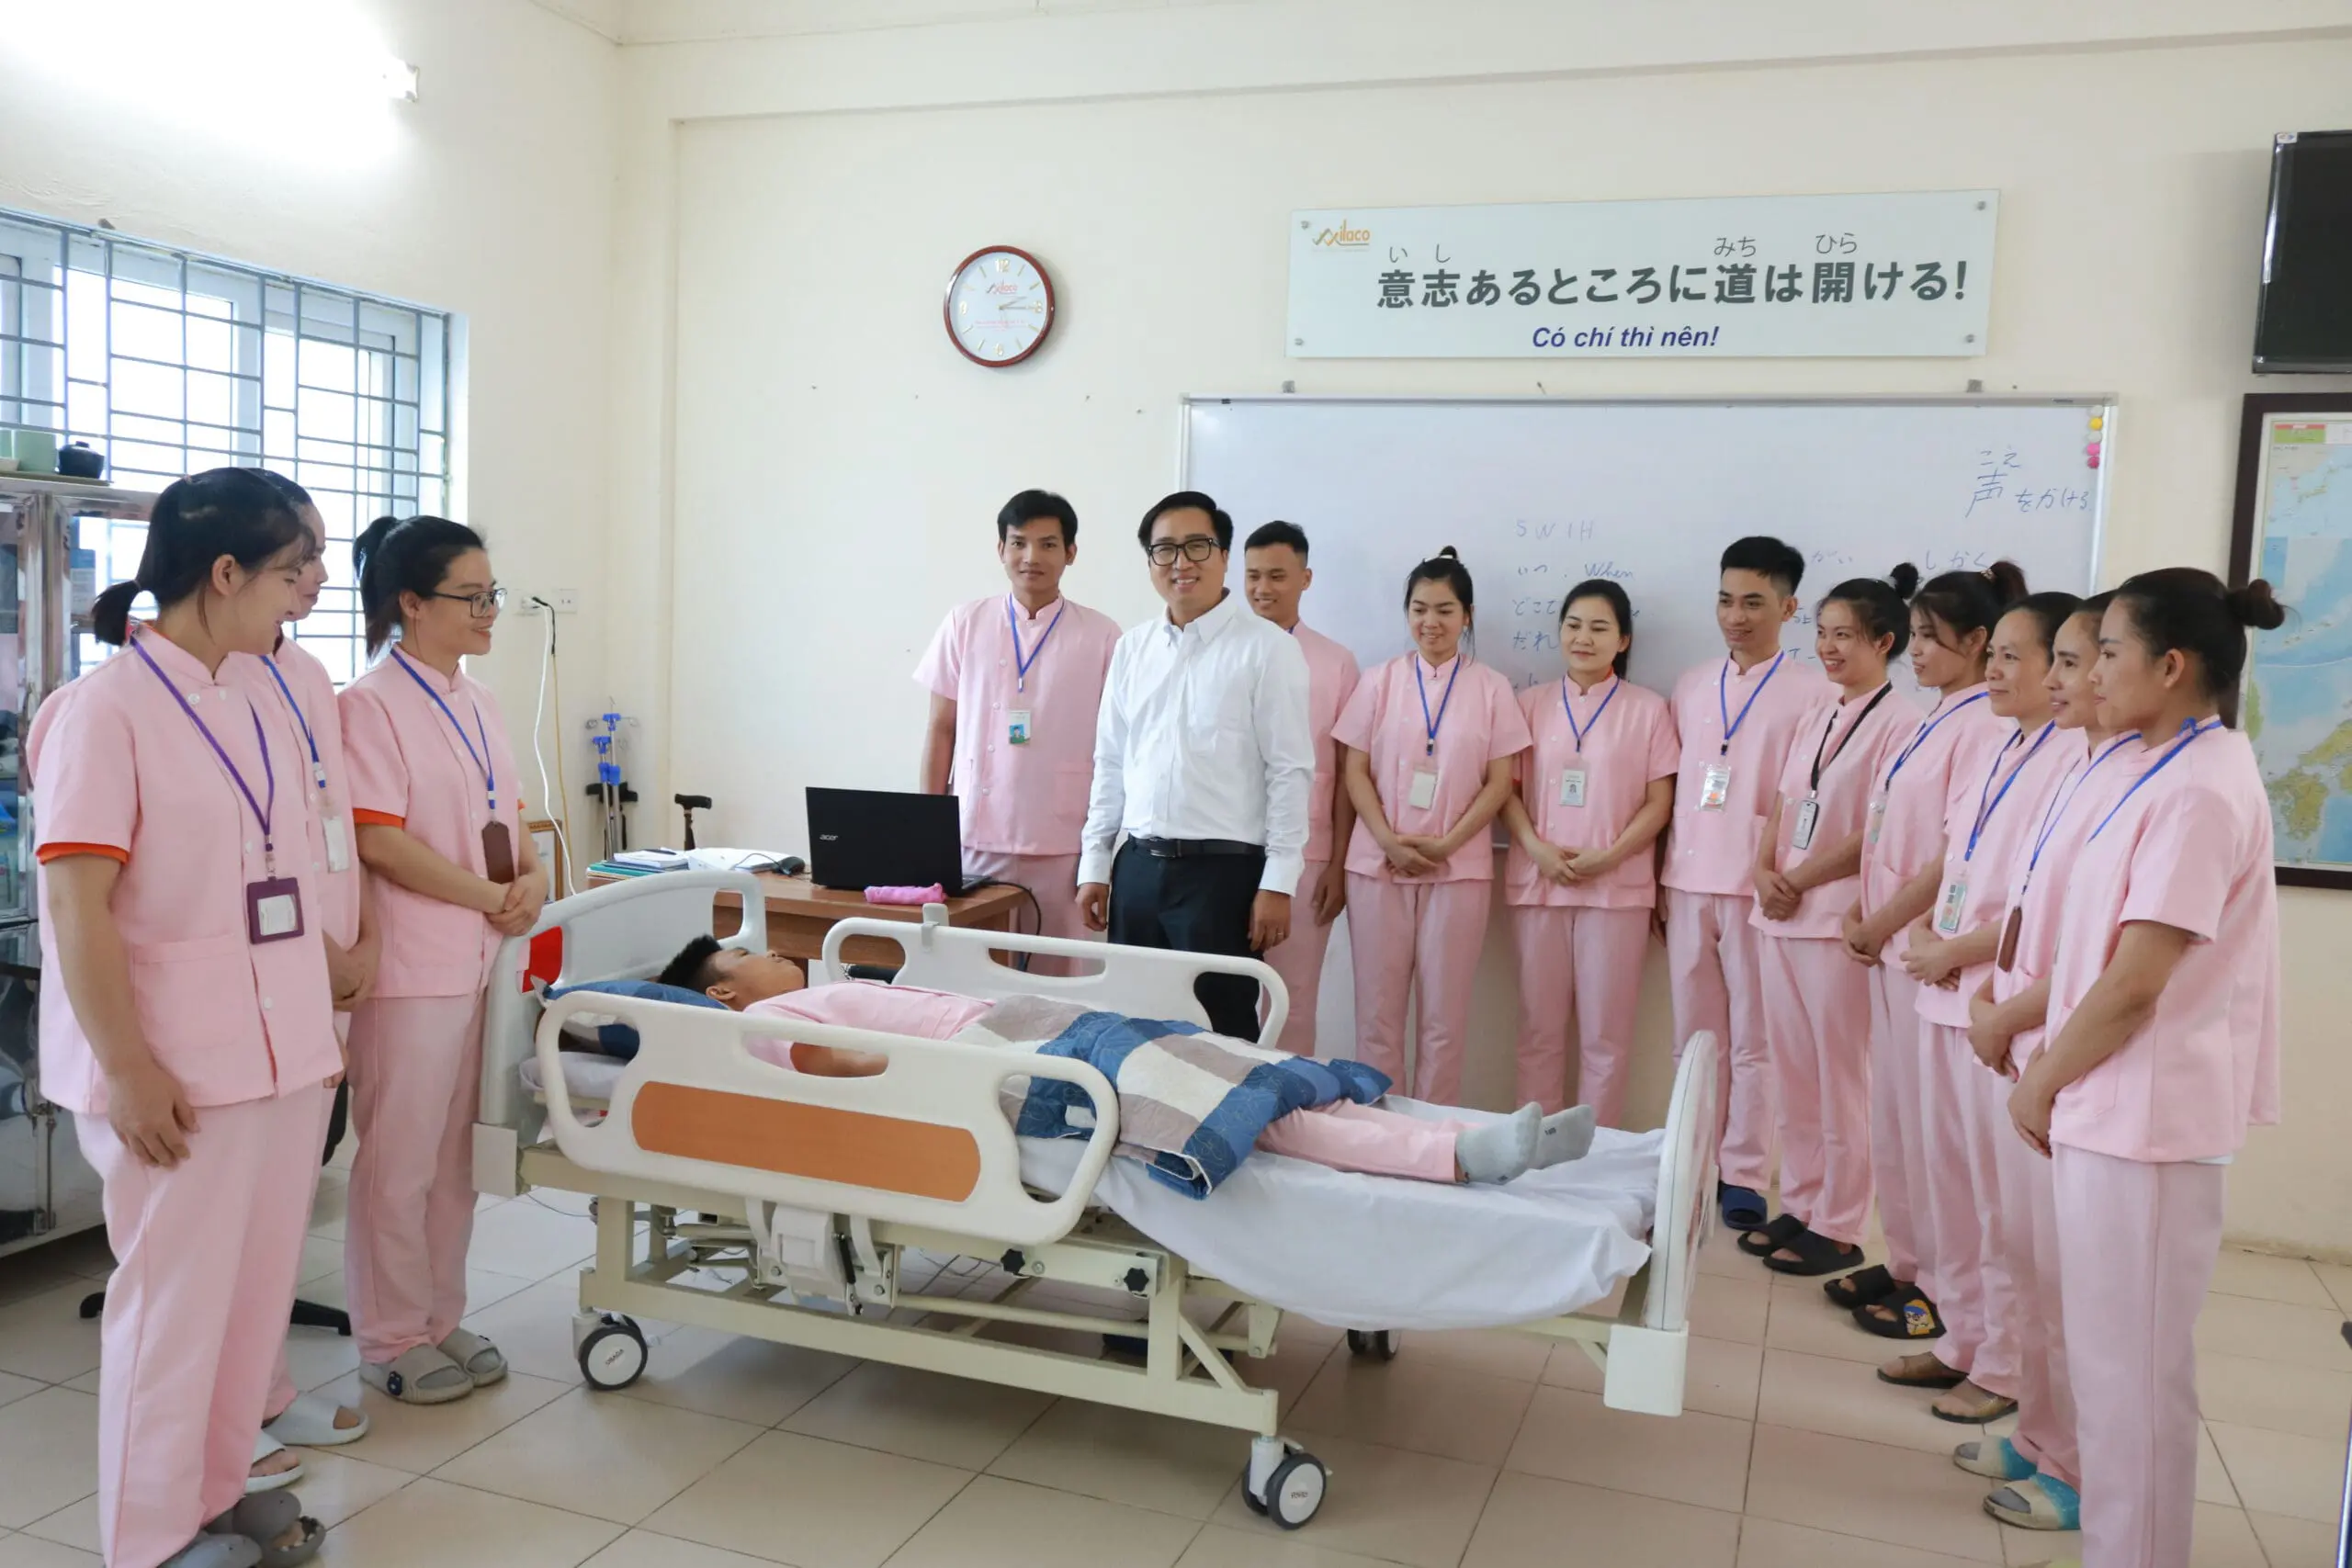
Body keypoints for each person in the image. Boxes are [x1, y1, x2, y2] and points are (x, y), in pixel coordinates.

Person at [35, 468, 336, 1568]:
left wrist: (313, 1026)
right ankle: (149, 1539)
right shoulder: (103, 710)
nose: (308, 590)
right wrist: (129, 1068)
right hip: (172, 1062)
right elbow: (77, 904)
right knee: (173, 1310)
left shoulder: (258, 697)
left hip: (278, 1051)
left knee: (249, 1303)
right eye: (294, 570)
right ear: (223, 574)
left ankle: (216, 1492)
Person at [2010, 570, 2284, 1568]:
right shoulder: (2154, 764)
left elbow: (2135, 981)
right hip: (2112, 1106)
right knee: (2110, 1369)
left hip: (2149, 1121)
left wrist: (2040, 1078)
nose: (2090, 673)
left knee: (2133, 1380)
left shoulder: (2202, 788)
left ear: (2169, 667)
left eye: (2109, 653)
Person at [656, 937, 1600, 1184]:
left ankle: (1464, 1131)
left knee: (1245, 1072)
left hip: (1025, 1030)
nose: (767, 951)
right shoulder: (761, 1021)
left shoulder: (797, 991)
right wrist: (948, 1079)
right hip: (1003, 1065)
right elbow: (832, 1065)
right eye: (743, 952)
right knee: (1245, 1112)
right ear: (722, 993)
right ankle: (1459, 1155)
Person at [339, 516, 547, 1406]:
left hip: (482, 956)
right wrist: (485, 896)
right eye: (472, 596)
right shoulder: (369, 705)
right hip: (412, 966)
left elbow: (510, 813)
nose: (489, 610)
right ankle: (390, 1336)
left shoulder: (480, 700)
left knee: (458, 1156)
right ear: (411, 603)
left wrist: (533, 877)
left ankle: (439, 1316)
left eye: (492, 593)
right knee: (400, 1159)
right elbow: (379, 841)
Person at [1890, 591, 2083, 1426]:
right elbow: (1959, 858)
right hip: (1944, 992)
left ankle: (2004, 1366)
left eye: (2015, 656)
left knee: (2000, 1204)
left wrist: (1954, 949)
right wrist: (1926, 929)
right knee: (1952, 1190)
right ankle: (1962, 1337)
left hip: (1994, 1007)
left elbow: (2046, 908)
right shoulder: (2000, 742)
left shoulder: (2070, 759)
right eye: (1993, 654)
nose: (1996, 670)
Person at [1954, 594, 2123, 1531]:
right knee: (2026, 1261)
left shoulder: (2128, 779)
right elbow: (2026, 910)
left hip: (2057, 1052)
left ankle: (2075, 1467)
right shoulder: (2076, 766)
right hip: (2020, 1037)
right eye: (2050, 660)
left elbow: (2100, 955)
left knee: (2069, 1286)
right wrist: (1997, 1005)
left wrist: (2006, 1015)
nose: (2058, 679)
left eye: (2072, 660)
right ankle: (2040, 1428)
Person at [227, 474, 375, 1480]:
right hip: (273, 964)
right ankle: (228, 1420)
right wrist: (321, 954)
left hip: (328, 951)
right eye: (302, 557)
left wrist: (355, 943)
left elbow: (332, 817)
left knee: (284, 1203)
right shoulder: (212, 685)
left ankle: (265, 1392)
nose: (318, 575)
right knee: (232, 1226)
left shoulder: (311, 674)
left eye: (321, 555)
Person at [1841, 564, 2020, 1390]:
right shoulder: (1935, 716)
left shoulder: (1984, 724)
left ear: (1977, 641)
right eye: (1911, 636)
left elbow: (1951, 856)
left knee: (1939, 1143)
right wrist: (1871, 913)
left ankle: (1947, 1297)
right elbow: (1890, 830)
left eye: (1928, 637)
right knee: (1900, 1122)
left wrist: (1884, 921)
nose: (1914, 651)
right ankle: (1911, 1263)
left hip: (1929, 952)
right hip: (1900, 946)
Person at [1078, 493, 1314, 1040]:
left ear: (1224, 555)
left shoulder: (1268, 649)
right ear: (1150, 562)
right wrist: (1095, 862)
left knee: (1222, 1036)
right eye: (1164, 549)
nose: (1181, 562)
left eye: (1197, 546)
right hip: (1137, 870)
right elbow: (1110, 760)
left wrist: (1279, 882)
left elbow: (1289, 771)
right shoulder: (1132, 649)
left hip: (1222, 877)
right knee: (1131, 1031)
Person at [1740, 576, 1920, 1278]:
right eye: (1821, 633)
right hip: (1779, 914)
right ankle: (1803, 1200)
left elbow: (1877, 829)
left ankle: (1840, 1223)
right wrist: (1764, 870)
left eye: (1844, 634)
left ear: (1885, 641)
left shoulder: (1901, 723)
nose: (1828, 647)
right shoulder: (1818, 710)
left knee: (1841, 1075)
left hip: (1830, 922)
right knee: (1794, 1070)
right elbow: (1785, 804)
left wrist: (1801, 879)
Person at [1657, 536, 1834, 1232]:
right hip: (1687, 879)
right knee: (1692, 1036)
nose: (1736, 615)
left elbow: (1807, 799)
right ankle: (1690, 1162)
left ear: (1789, 608)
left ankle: (1745, 1173)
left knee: (1755, 1039)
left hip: (1760, 889)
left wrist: (1783, 876)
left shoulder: (1814, 693)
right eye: (1726, 600)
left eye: (1754, 602)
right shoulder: (1692, 684)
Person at [1335, 549, 1531, 1103]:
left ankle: (1433, 1134)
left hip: (1458, 869)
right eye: (1419, 609)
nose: (1431, 622)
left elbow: (1500, 781)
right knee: (1377, 1012)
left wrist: (1446, 844)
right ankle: (1379, 1127)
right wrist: (1388, 841)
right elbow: (1354, 770)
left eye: (1445, 610)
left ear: (1467, 615)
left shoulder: (1492, 687)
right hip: (1377, 865)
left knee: (1445, 1017)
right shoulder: (1378, 681)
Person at [914, 491, 1120, 973]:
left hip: (1062, 841)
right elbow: (941, 729)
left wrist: (1100, 850)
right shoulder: (965, 622)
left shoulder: (1103, 634)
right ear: (1000, 549)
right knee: (969, 974)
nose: (1032, 557)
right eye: (1019, 543)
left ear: (1071, 553)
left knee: (1057, 979)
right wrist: (927, 830)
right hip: (973, 836)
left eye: (1048, 544)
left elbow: (1115, 747)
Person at [1500, 581, 1677, 1122]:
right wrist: (1536, 850)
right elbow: (1505, 791)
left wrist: (1611, 855)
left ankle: (1597, 1154)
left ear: (1623, 640)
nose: (1583, 637)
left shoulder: (1649, 710)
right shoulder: (1528, 705)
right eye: (1573, 625)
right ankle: (1532, 1148)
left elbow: (1660, 801)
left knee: (1606, 1036)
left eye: (1599, 628)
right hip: (1540, 882)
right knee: (1538, 1030)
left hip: (1616, 891)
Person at [1240, 520, 1360, 1054]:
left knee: (1293, 997)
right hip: (1227, 849)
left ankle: (1287, 1102)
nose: (1263, 588)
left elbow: (1346, 771)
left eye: (1277, 576)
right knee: (1222, 992)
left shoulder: (1336, 662)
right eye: (1253, 576)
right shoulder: (1223, 650)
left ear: (1305, 579)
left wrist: (1336, 864)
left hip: (1306, 856)